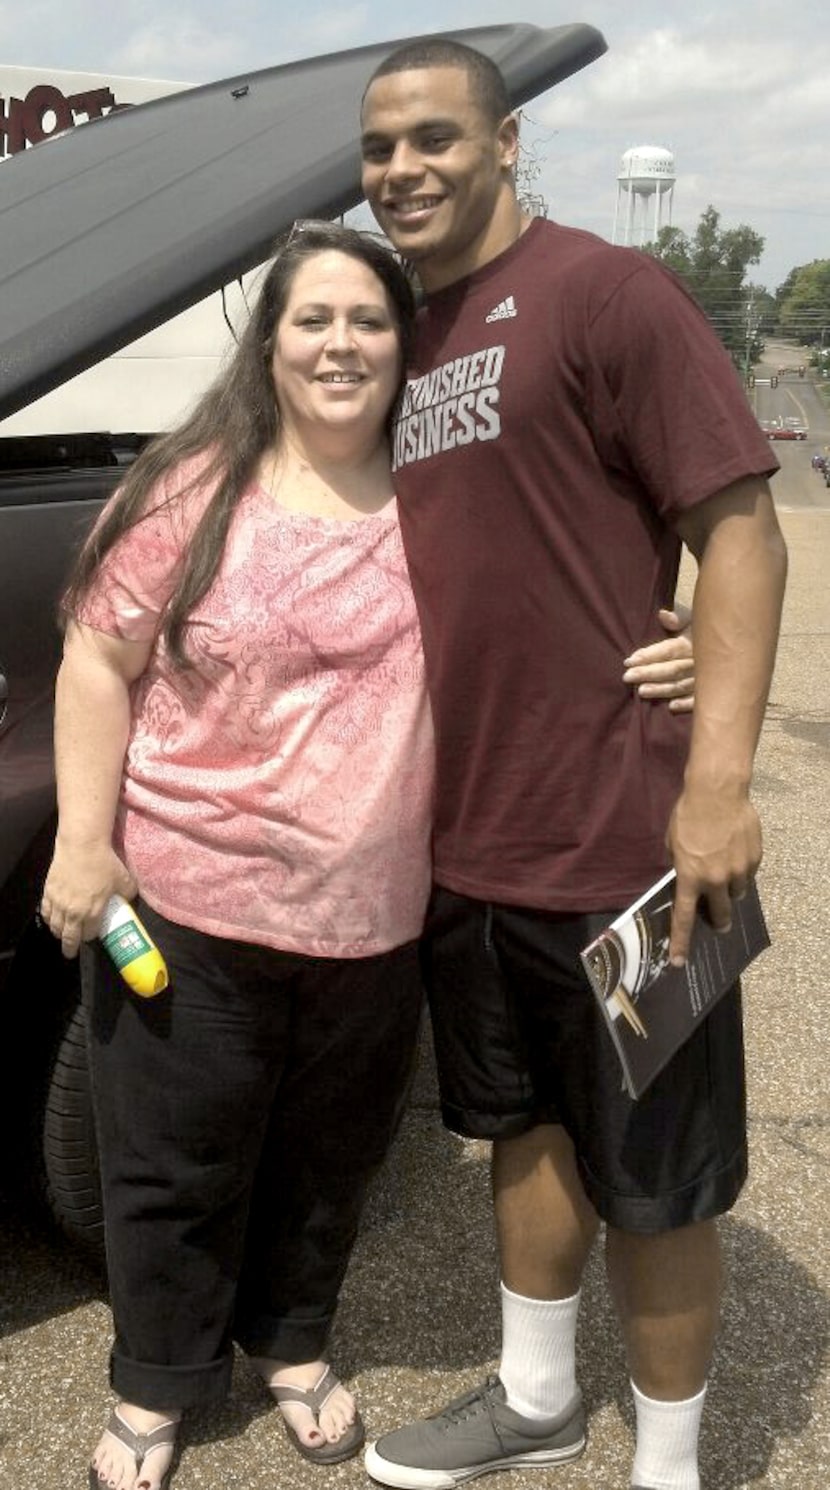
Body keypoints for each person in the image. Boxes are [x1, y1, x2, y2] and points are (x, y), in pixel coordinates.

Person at [40, 217, 692, 1490]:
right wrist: (80, 838)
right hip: (190, 901)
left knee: (326, 1158)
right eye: (314, 319)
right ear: (268, 340)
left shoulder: (449, 493)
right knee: (173, 1162)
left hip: (379, 918)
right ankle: (154, 1383)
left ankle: (289, 1345)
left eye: (370, 321)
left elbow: (566, 587)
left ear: (408, 347)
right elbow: (94, 656)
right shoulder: (189, 488)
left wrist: (676, 630)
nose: (341, 344)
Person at [357, 38, 787, 1490]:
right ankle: (536, 1396)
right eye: (379, 149)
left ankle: (666, 1470)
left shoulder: (610, 292)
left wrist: (716, 781)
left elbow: (738, 529)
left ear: (503, 144)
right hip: (470, 846)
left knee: (655, 1183)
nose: (402, 169)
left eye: (432, 138)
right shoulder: (399, 336)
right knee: (521, 1131)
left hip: (624, 846)